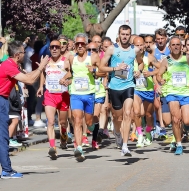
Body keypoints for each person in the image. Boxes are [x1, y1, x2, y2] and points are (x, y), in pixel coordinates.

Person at [0, 41, 49, 178]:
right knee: (3, 137)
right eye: (23, 52)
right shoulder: (9, 66)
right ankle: (7, 170)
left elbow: (28, 76)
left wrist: (39, 70)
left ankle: (6, 169)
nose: (25, 55)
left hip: (3, 100)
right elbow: (28, 80)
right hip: (1, 100)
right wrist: (41, 68)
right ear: (17, 55)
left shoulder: (12, 64)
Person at [99, 25, 143, 156]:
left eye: (127, 34)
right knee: (117, 117)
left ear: (130, 35)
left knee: (128, 113)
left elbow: (141, 63)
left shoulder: (135, 50)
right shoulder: (112, 49)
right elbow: (101, 67)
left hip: (128, 85)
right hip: (114, 87)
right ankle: (117, 132)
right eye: (123, 34)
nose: (125, 36)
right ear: (119, 34)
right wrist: (115, 69)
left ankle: (125, 146)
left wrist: (138, 70)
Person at [156, 36, 189, 155]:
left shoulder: (188, 58)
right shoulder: (166, 60)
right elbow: (159, 74)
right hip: (172, 92)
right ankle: (179, 144)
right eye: (173, 45)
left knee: (187, 121)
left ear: (181, 47)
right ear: (169, 47)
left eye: (178, 45)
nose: (176, 47)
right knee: (175, 119)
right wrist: (160, 80)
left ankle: (182, 133)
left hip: (186, 92)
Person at [65, 33, 104, 161]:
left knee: (88, 122)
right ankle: (79, 148)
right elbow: (70, 73)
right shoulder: (72, 58)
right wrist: (65, 79)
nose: (80, 46)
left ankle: (93, 128)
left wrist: (94, 71)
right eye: (78, 44)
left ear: (86, 45)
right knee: (77, 119)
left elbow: (103, 72)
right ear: (75, 45)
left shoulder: (93, 57)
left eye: (82, 44)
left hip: (89, 94)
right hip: (76, 94)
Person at [37, 39, 70, 159]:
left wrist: (66, 79)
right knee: (50, 122)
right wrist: (41, 86)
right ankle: (52, 147)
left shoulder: (65, 61)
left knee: (62, 122)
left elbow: (71, 74)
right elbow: (43, 74)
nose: (54, 49)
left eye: (57, 47)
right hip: (50, 94)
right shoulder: (46, 61)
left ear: (60, 48)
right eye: (52, 47)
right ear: (49, 49)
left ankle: (64, 136)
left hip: (63, 95)